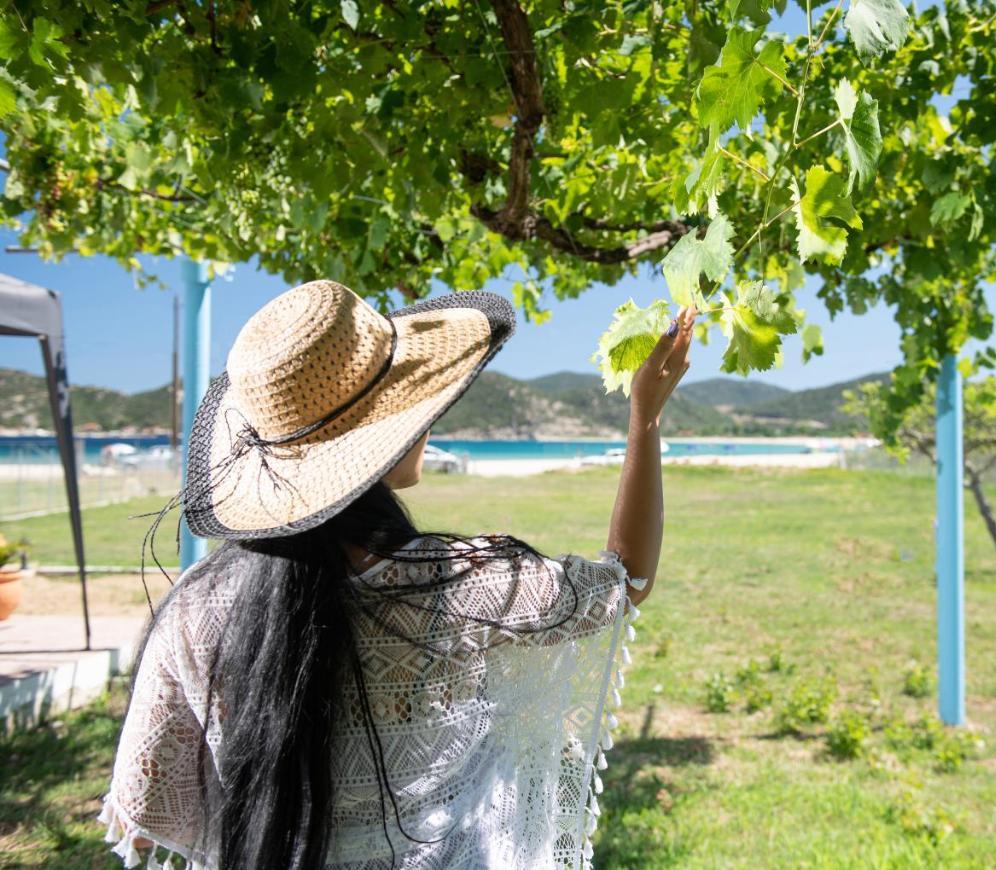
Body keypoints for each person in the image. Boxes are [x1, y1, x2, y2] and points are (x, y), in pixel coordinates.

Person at [98, 280, 696, 869]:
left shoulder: (191, 611)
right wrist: (644, 418)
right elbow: (626, 582)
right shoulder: (463, 585)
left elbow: (146, 819)